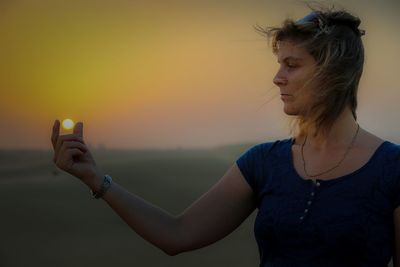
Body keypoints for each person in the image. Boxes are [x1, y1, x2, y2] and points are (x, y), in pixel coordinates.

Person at [51, 5, 400, 267]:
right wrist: (96, 179)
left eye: (292, 65)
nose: (277, 78)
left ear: (333, 72)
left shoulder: (392, 168)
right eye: (279, 64)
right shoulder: (264, 162)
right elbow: (178, 234)